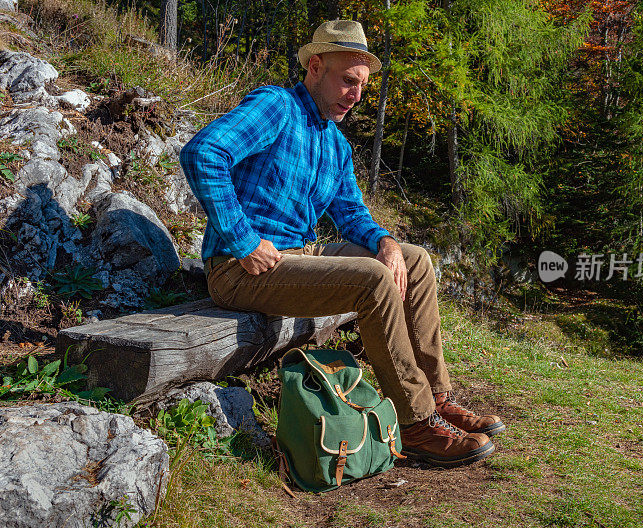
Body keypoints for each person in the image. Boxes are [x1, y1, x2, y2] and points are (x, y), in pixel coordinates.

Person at [179, 20, 505, 467]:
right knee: (372, 281)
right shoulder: (276, 106)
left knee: (416, 260)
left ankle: (438, 397)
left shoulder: (335, 143)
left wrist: (386, 241)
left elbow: (351, 214)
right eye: (347, 81)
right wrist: (242, 239)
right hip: (241, 270)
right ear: (315, 67)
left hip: (301, 257)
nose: (355, 95)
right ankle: (415, 423)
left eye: (362, 86)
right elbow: (204, 153)